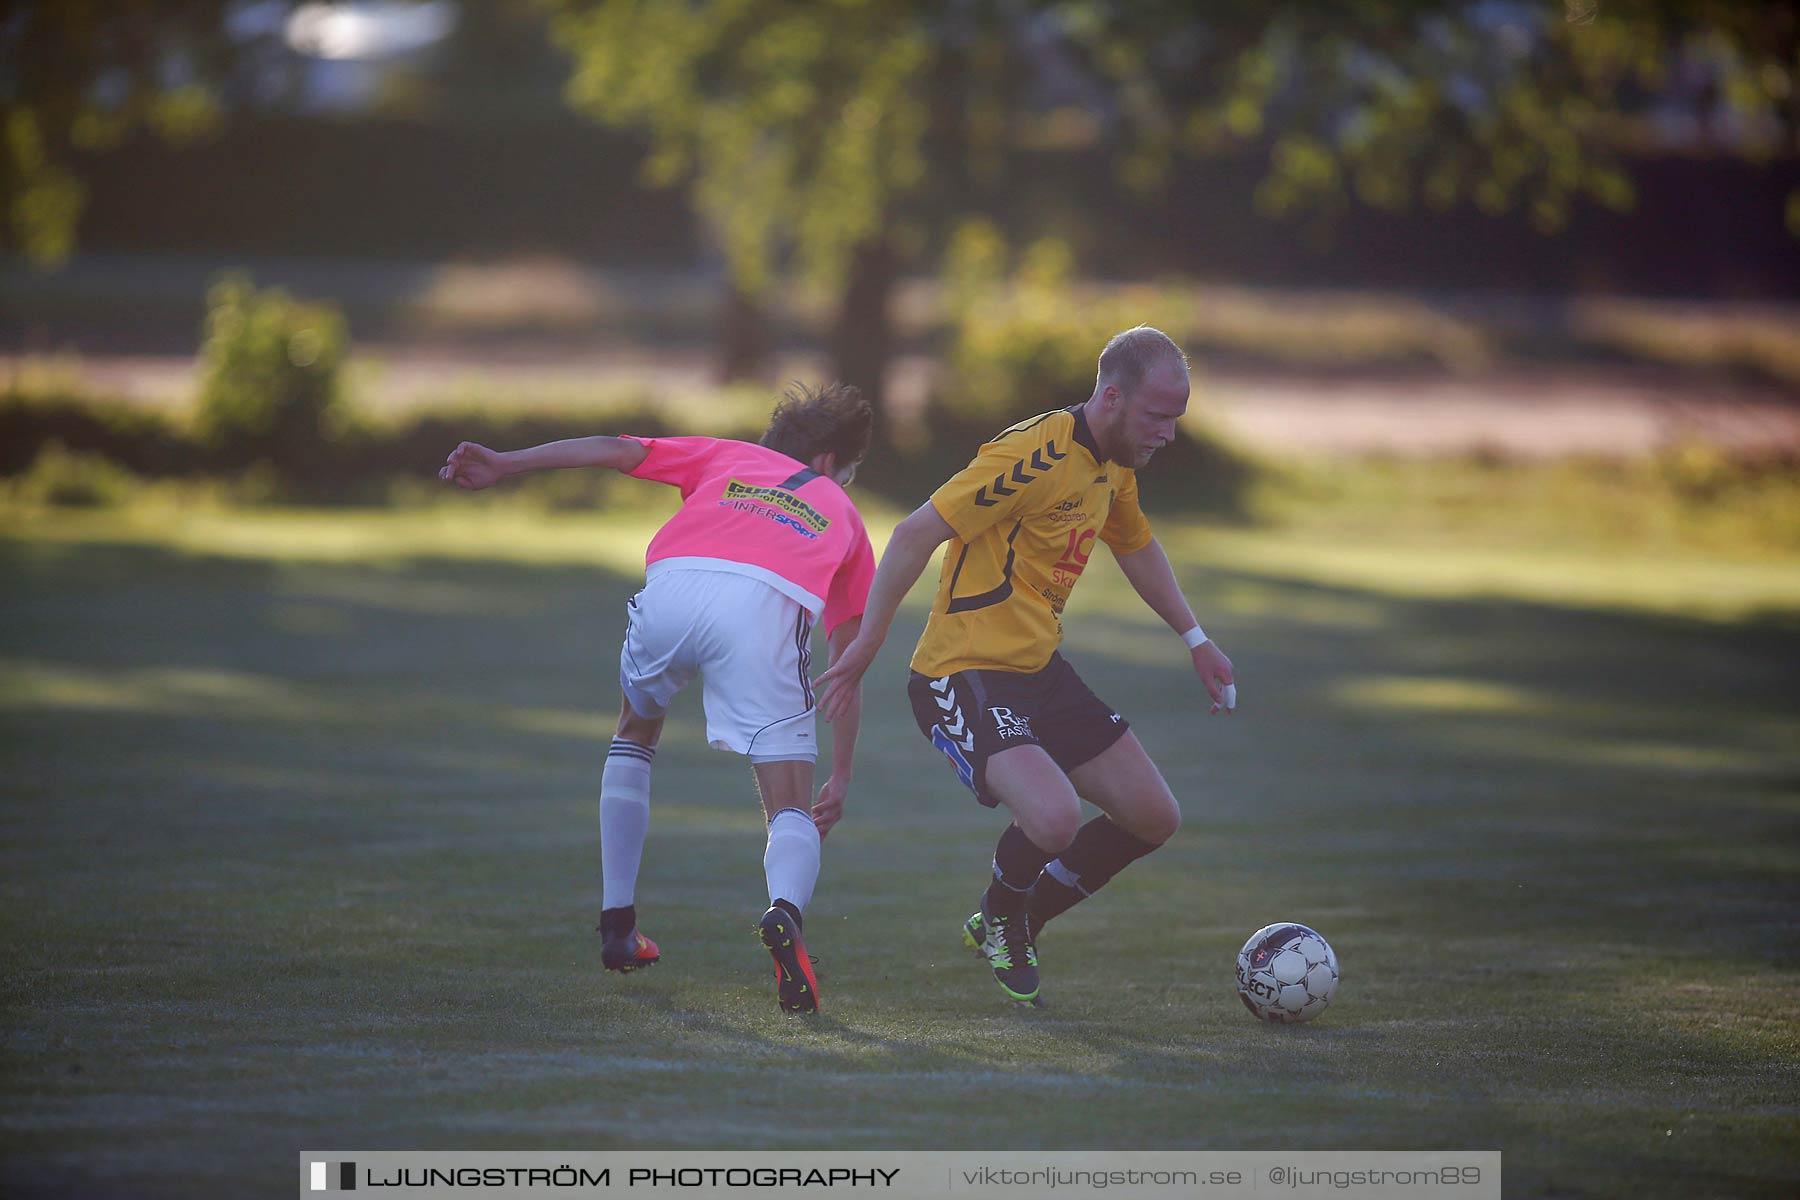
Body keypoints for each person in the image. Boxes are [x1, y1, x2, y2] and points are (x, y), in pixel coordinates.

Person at [816, 327, 1235, 1007]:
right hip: (961, 670)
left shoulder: (1113, 465)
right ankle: (1006, 913)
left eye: (1177, 418)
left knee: (1154, 816)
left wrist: (1195, 637)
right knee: (1054, 817)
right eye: (1158, 416)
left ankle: (1014, 918)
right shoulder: (1032, 454)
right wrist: (866, 642)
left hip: (1039, 670)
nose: (1169, 433)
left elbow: (1134, 544)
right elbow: (914, 531)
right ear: (1112, 397)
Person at [440, 382, 876, 1014]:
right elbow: (849, 661)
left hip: (673, 581)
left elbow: (614, 449)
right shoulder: (843, 510)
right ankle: (784, 914)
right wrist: (840, 773)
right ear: (834, 463)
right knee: (789, 799)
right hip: (761, 606)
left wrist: (509, 464)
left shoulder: (726, 455)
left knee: (635, 731)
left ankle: (618, 926)